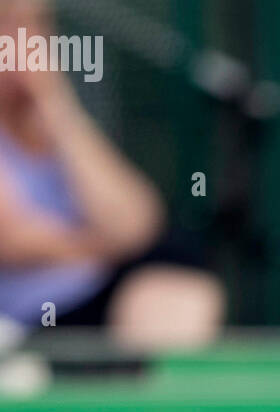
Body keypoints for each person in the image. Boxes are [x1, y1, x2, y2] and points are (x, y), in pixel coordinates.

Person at [0, 0, 223, 349]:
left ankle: (145, 404)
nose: (25, 45)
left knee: (179, 269)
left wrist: (59, 109)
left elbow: (137, 223)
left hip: (96, 296)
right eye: (8, 27)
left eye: (34, 27)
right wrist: (106, 246)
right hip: (30, 322)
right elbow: (12, 242)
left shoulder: (53, 118)